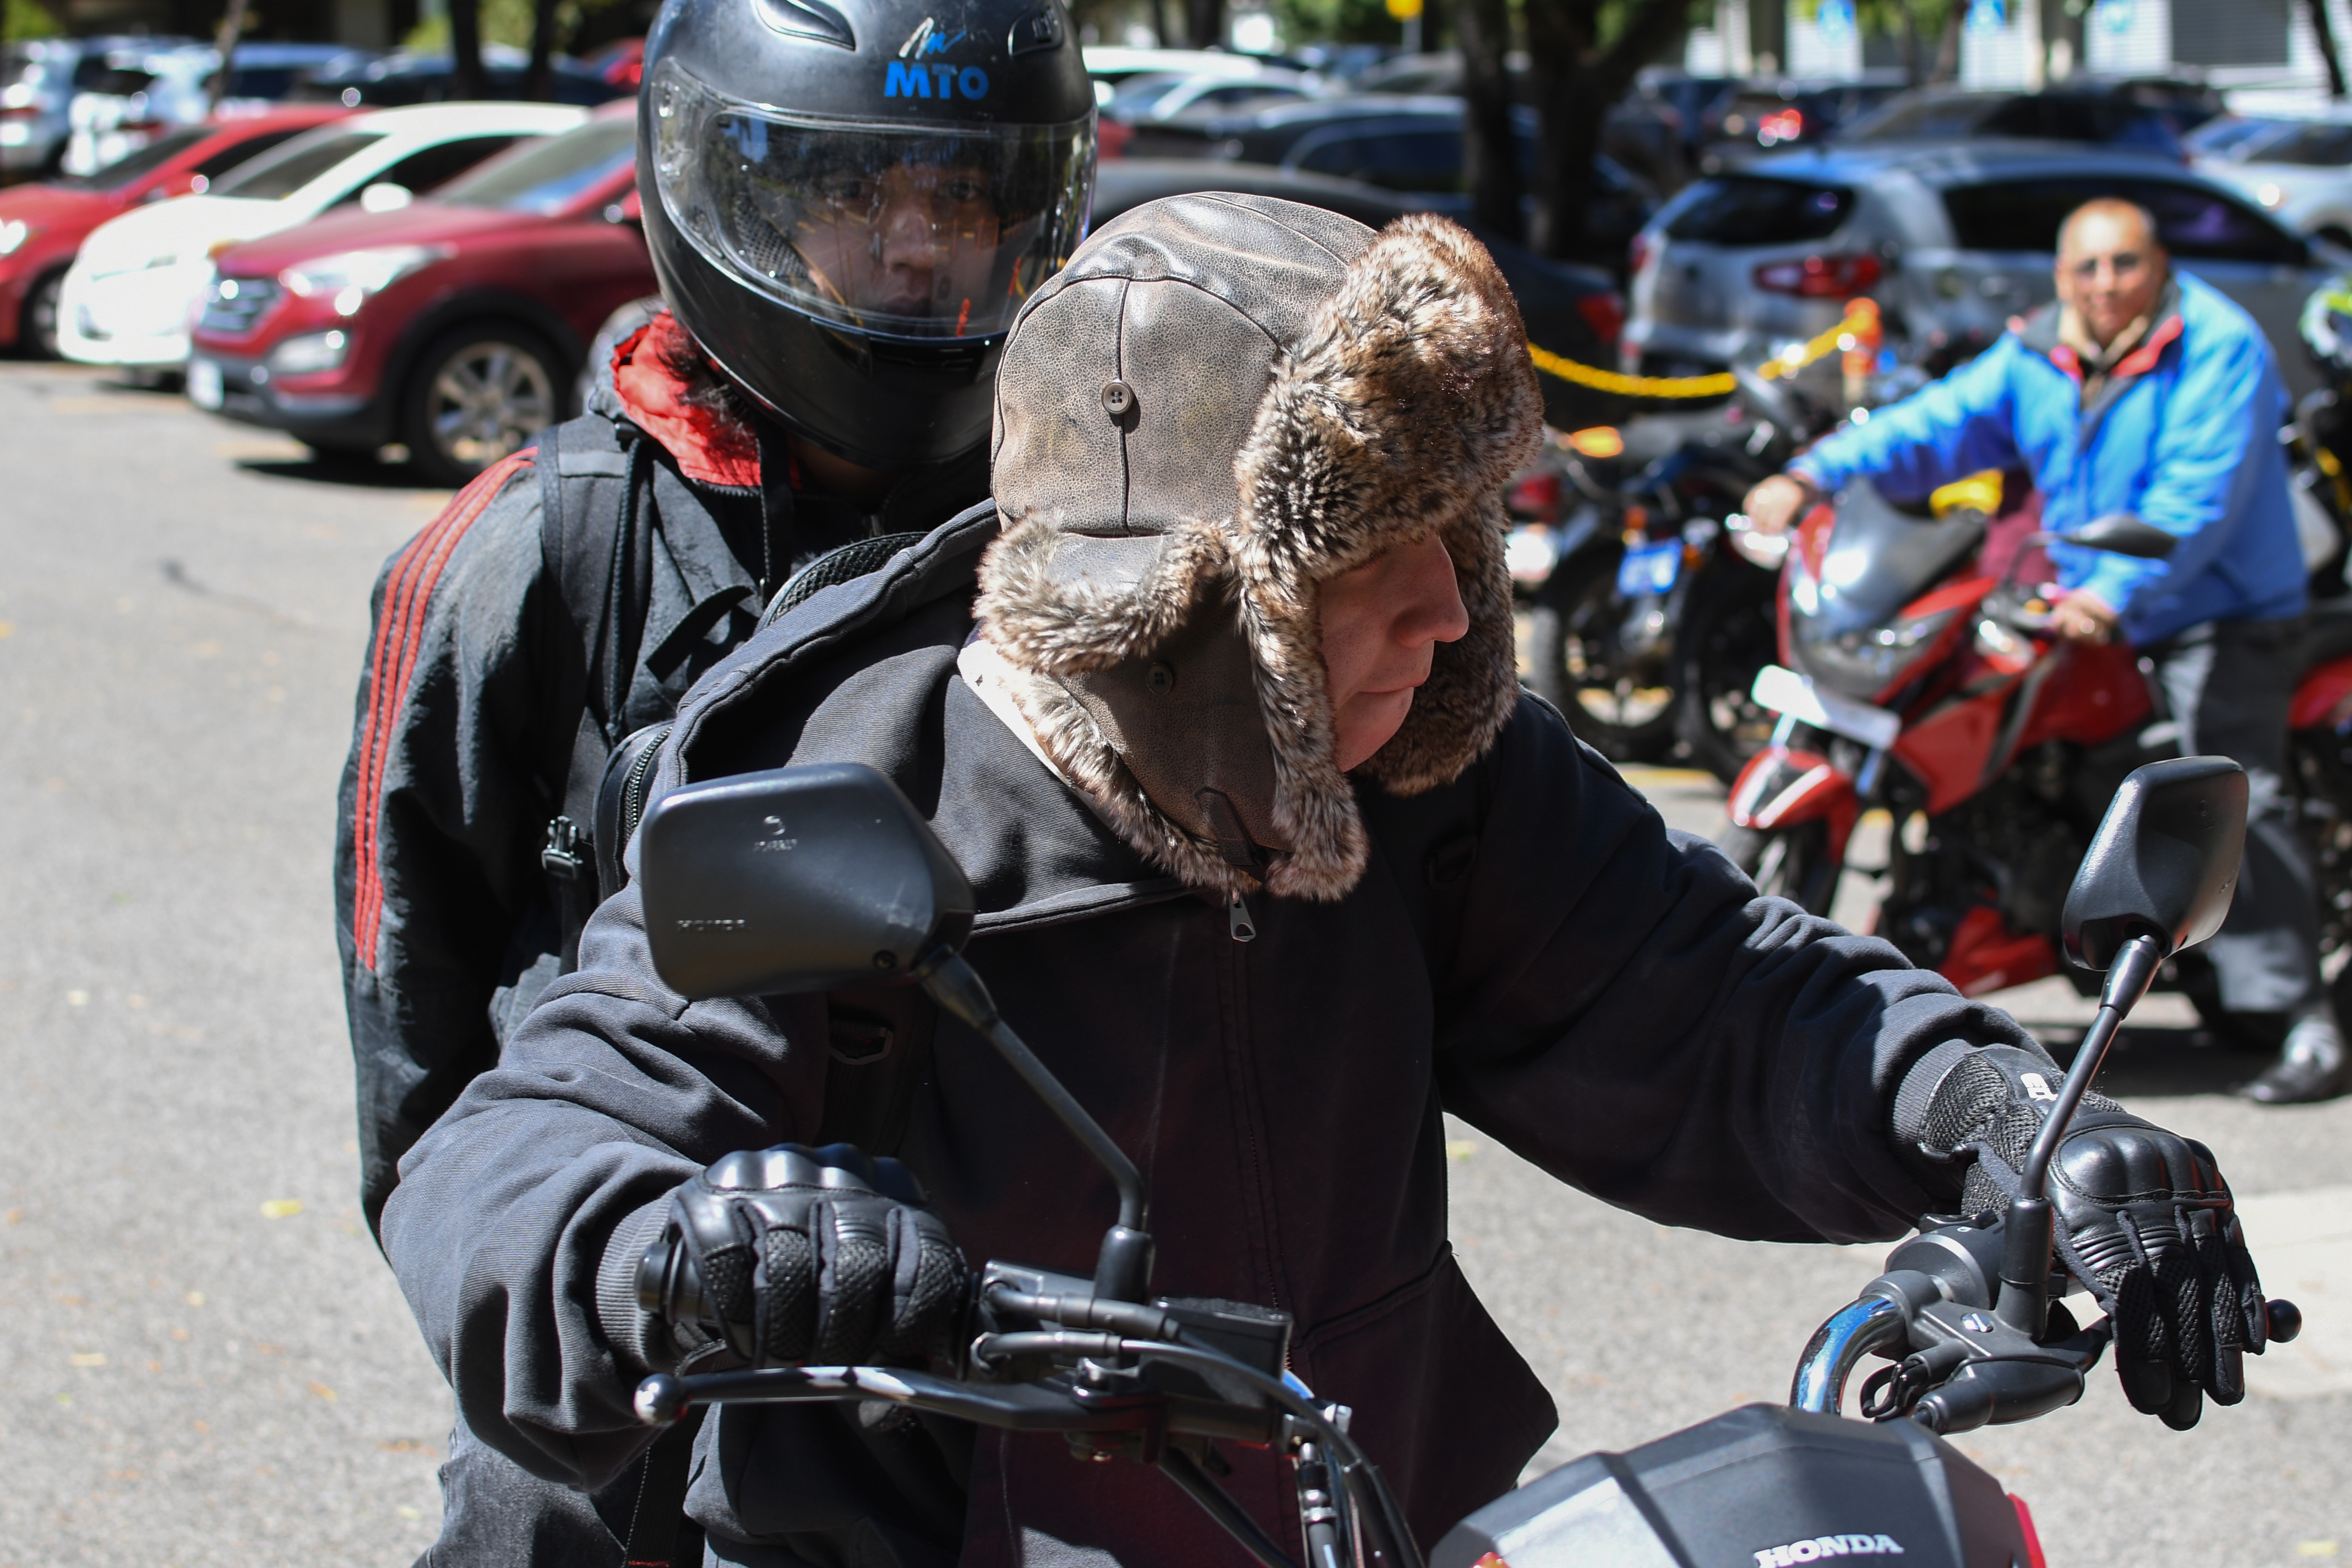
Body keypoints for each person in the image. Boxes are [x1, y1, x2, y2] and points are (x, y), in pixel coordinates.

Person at [384, 195, 2278, 1566]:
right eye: (1386, 549)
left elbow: (1714, 985)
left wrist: (2004, 1108)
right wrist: (682, 1241)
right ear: (1189, 593)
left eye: (1465, 538)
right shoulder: (854, 796)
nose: (1457, 610)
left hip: (1369, 1515)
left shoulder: (1425, 772)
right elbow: (523, 1135)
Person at [334, 0, 1096, 1556]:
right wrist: (551, 1281)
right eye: (851, 194)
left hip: (993, 1321)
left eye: (957, 200)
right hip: (647, 1303)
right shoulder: (534, 553)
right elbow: (414, 1016)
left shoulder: (1088, 531)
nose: (910, 251)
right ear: (725, 188)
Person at [1744, 197, 2345, 1106]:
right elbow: (1937, 421)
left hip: (2206, 606)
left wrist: (2113, 591)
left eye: (2125, 265)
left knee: (2218, 792)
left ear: (2159, 265)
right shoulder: (2037, 351)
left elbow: (2198, 495)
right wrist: (1813, 474)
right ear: (2062, 276)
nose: (2105, 286)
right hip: (2072, 596)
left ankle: (2299, 1018)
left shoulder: (2217, 345)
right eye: (2087, 268)